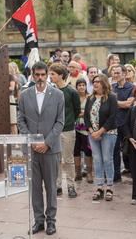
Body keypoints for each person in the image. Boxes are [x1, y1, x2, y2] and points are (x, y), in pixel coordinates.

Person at [17, 61, 64, 235]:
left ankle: (51, 221)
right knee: (35, 187)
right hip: (31, 149)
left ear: (47, 75)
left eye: (43, 74)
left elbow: (60, 122)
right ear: (32, 75)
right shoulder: (25, 94)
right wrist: (32, 141)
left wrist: (46, 143)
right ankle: (39, 221)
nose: (40, 78)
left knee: (51, 187)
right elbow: (21, 119)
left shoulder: (58, 95)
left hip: (50, 148)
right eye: (37, 75)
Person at [84, 74, 117, 201]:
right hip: (93, 134)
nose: (95, 83)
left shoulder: (111, 98)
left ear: (104, 83)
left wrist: (100, 131)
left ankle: (109, 187)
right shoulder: (90, 98)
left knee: (107, 159)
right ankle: (99, 187)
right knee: (97, 160)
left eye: (98, 81)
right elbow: (86, 116)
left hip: (108, 133)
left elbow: (112, 117)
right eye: (94, 81)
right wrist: (92, 131)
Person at [49, 63, 80, 198]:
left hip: (68, 129)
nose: (50, 76)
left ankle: (71, 186)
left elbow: (77, 110)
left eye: (53, 74)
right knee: (56, 159)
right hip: (54, 130)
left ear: (60, 75)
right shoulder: (50, 91)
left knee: (68, 159)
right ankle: (57, 186)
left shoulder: (72, 91)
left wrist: (69, 122)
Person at [111, 64, 135, 180]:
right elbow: (108, 104)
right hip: (114, 124)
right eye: (114, 73)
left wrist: (115, 103)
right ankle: (116, 174)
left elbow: (128, 104)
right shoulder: (111, 87)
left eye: (118, 73)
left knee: (130, 149)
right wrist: (121, 103)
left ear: (124, 74)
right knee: (114, 150)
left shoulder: (132, 88)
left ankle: (133, 172)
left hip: (127, 123)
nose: (116, 75)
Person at [74, 78, 93, 183]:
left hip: (86, 127)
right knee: (76, 149)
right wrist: (81, 112)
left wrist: (81, 112)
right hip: (75, 126)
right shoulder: (75, 97)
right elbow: (72, 111)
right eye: (79, 85)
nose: (81, 87)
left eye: (83, 85)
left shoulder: (89, 97)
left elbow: (89, 112)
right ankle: (78, 172)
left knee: (87, 150)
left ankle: (89, 172)